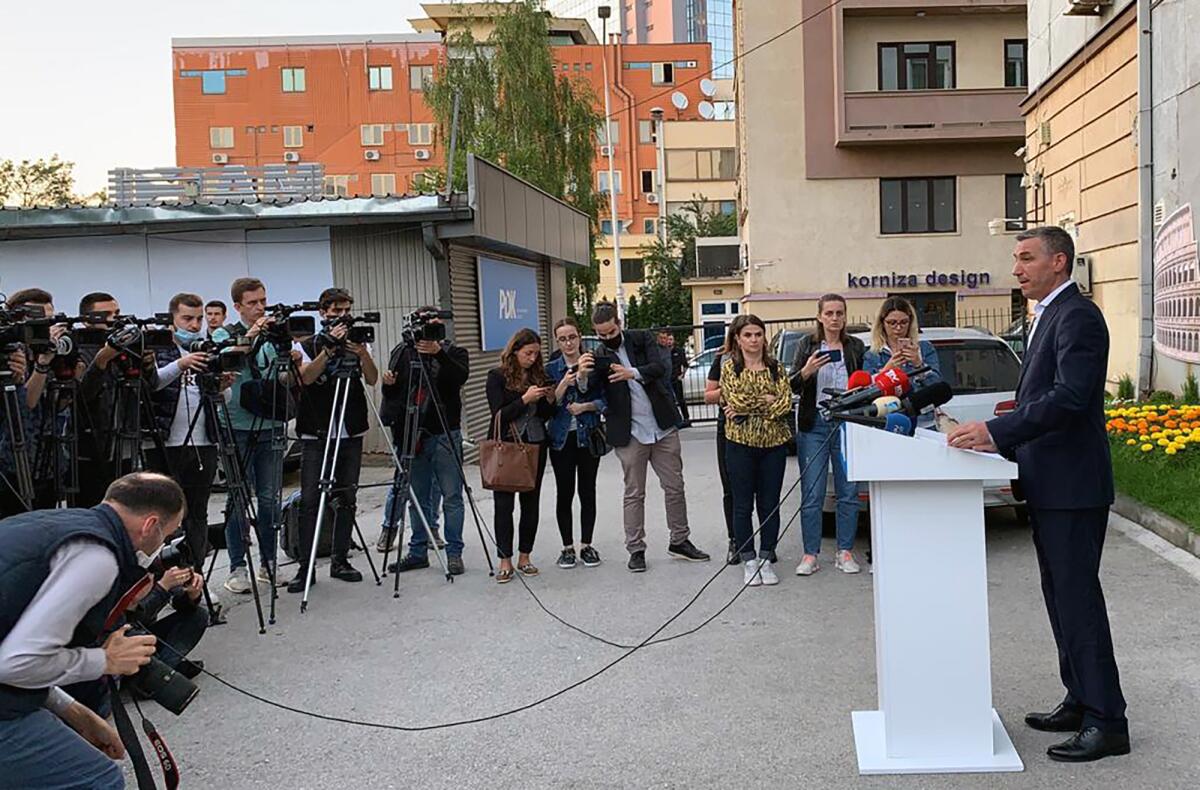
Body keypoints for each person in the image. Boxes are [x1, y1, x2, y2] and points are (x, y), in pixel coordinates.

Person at [949, 227, 1129, 763]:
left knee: (1078, 602)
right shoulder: (1048, 315)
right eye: (1016, 259)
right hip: (1049, 483)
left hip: (1073, 486)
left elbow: (1071, 397)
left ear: (1059, 261)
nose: (1017, 268)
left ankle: (1107, 721)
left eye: (1027, 258)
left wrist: (998, 432)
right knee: (1060, 599)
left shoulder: (1079, 316)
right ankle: (1079, 696)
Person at [0, 472, 185, 790]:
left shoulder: (53, 526)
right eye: (166, 536)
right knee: (97, 781)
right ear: (150, 526)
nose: (162, 546)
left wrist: (72, 710)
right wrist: (104, 660)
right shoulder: (97, 558)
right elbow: (15, 663)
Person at [587, 302, 709, 573]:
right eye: (601, 335)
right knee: (634, 493)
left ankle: (680, 540)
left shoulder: (641, 338)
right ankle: (636, 549)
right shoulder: (598, 356)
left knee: (675, 486)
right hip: (629, 433)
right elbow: (591, 391)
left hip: (662, 426)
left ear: (619, 323)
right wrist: (584, 375)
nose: (607, 338)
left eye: (610, 332)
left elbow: (660, 368)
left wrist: (632, 373)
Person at [289, 287, 378, 592]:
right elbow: (306, 378)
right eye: (335, 311)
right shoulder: (307, 342)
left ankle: (341, 559)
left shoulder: (358, 338)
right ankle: (306, 566)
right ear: (323, 312)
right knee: (310, 499)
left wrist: (362, 352)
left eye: (345, 310)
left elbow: (372, 378)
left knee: (347, 496)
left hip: (350, 428)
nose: (341, 316)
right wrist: (327, 351)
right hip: (316, 429)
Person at [379, 309, 470, 576]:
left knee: (452, 496)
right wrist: (389, 384)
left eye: (437, 327)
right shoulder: (404, 351)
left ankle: (454, 553)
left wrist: (437, 352)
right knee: (417, 497)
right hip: (413, 434)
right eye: (427, 327)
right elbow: (394, 395)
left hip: (445, 432)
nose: (431, 333)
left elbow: (458, 379)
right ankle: (417, 551)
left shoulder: (454, 352)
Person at [148, 293, 233, 573]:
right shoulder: (159, 349)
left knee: (198, 513)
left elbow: (225, 397)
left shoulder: (207, 349)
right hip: (166, 442)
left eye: (198, 319)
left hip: (203, 440)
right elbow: (152, 385)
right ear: (172, 319)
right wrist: (181, 365)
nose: (195, 325)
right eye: (187, 318)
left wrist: (221, 385)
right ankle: (166, 575)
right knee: (164, 514)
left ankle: (196, 576)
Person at [218, 277, 292, 594]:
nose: (260, 308)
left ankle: (269, 563)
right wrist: (251, 335)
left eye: (263, 301)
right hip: (236, 425)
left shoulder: (274, 334)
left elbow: (284, 375)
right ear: (237, 306)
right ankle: (237, 567)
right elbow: (225, 359)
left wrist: (292, 357)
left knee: (269, 498)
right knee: (239, 497)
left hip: (270, 423)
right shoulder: (225, 332)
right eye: (252, 303)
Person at [790, 293, 866, 576]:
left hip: (847, 423)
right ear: (819, 316)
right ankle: (811, 553)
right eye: (829, 313)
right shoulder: (806, 344)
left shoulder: (855, 346)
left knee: (848, 491)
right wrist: (807, 371)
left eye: (839, 313)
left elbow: (865, 384)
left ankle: (844, 551)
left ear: (845, 316)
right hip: (815, 426)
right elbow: (792, 385)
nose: (835, 318)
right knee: (812, 492)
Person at [720, 315, 793, 587]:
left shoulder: (776, 368)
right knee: (742, 504)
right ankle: (748, 558)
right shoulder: (730, 368)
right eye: (748, 335)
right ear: (738, 339)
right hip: (740, 445)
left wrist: (751, 408)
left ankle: (766, 556)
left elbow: (785, 403)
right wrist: (767, 402)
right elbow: (734, 399)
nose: (753, 340)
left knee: (769, 504)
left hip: (773, 446)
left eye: (758, 334)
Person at [485, 328, 555, 583]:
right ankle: (505, 559)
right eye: (528, 353)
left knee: (530, 503)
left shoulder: (539, 374)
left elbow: (547, 415)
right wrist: (525, 399)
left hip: (535, 443)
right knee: (503, 505)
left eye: (536, 353)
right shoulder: (496, 376)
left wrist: (548, 398)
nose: (533, 358)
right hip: (506, 445)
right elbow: (498, 414)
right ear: (514, 351)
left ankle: (525, 556)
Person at [546, 318, 607, 569]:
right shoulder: (550, 369)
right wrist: (563, 384)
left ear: (580, 337)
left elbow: (605, 400)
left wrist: (586, 406)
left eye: (572, 337)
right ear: (557, 341)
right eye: (563, 338)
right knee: (564, 492)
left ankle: (586, 544)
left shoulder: (593, 363)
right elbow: (547, 406)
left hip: (588, 434)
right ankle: (567, 546)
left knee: (587, 490)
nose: (568, 343)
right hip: (561, 438)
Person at [75, 292, 144, 508]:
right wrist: (102, 360)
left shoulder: (126, 347)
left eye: (117, 314)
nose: (113, 320)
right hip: (90, 445)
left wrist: (146, 363)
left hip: (124, 438)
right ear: (87, 320)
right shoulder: (78, 348)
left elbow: (149, 388)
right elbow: (82, 397)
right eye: (106, 315)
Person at [863, 296, 942, 426]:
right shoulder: (873, 354)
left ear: (910, 322)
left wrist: (919, 365)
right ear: (882, 323)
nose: (898, 328)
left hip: (924, 420)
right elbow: (866, 393)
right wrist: (886, 371)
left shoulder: (924, 348)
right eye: (892, 323)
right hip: (889, 420)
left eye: (903, 322)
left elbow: (937, 386)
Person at [704, 329, 739, 565]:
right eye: (743, 335)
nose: (750, 340)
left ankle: (766, 543)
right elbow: (709, 394)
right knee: (731, 488)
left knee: (760, 489)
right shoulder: (722, 358)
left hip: (761, 429)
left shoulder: (766, 360)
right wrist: (738, 391)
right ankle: (735, 540)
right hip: (727, 427)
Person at [658, 330, 691, 428]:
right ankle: (676, 420)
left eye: (670, 339)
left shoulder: (678, 351)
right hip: (666, 379)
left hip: (676, 378)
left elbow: (685, 364)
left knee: (680, 399)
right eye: (666, 339)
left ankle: (686, 418)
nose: (668, 341)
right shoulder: (662, 351)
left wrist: (682, 375)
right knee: (669, 400)